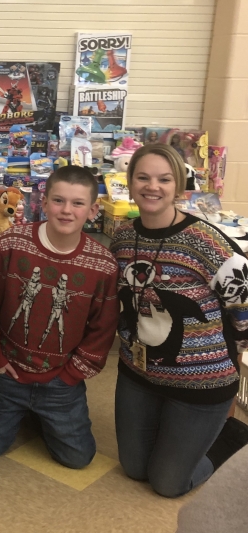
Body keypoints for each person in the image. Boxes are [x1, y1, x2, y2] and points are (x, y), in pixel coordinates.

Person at [111, 144, 248, 497]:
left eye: (164, 179)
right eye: (143, 177)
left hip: (200, 384)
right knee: (135, 469)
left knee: (167, 483)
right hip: (138, 374)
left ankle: (231, 438)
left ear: (179, 187)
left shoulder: (205, 241)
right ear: (130, 182)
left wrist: (233, 351)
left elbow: (244, 299)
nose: (152, 186)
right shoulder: (124, 237)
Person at [0, 166, 119, 469]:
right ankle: (22, 411)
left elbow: (102, 329)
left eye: (78, 203)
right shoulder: (11, 243)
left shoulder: (103, 264)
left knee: (77, 458)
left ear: (93, 210)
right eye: (58, 201)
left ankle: (39, 414)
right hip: (8, 374)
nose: (67, 211)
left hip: (60, 381)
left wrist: (71, 375)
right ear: (43, 203)